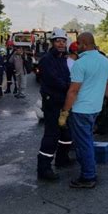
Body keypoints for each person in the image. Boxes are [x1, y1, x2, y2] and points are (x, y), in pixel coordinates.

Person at [59, 32, 108, 188]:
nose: (77, 46)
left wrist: (64, 112)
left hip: (80, 110)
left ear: (83, 44)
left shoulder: (80, 64)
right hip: (95, 108)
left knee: (83, 143)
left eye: (78, 43)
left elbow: (73, 91)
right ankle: (89, 170)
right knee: (87, 139)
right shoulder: (105, 61)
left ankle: (88, 176)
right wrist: (101, 101)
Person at [37, 28, 73, 181]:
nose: (61, 43)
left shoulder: (62, 58)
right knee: (52, 135)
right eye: (58, 41)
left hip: (63, 102)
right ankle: (44, 169)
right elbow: (54, 80)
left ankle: (62, 159)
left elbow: (67, 76)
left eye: (63, 41)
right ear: (52, 42)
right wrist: (70, 87)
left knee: (66, 133)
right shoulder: (46, 60)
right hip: (52, 103)